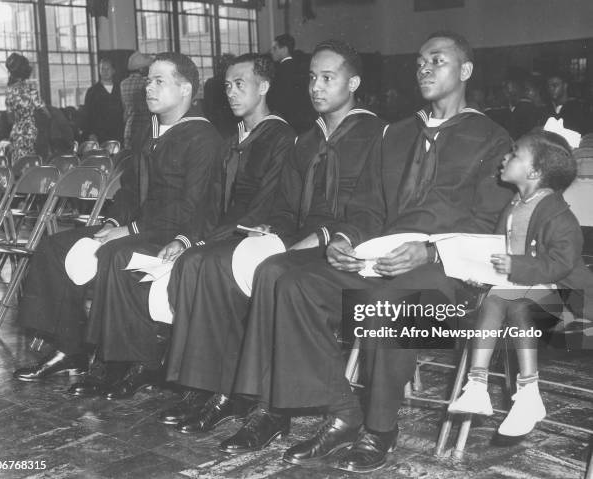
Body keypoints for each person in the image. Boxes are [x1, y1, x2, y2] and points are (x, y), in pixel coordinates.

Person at [224, 31, 514, 472]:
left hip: (450, 277)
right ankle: (341, 410)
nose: (424, 69)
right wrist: (345, 239)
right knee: (287, 277)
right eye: (420, 61)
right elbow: (367, 208)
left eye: (438, 61)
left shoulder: (491, 139)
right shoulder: (396, 135)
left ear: (466, 71)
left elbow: (492, 230)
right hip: (381, 259)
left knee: (386, 302)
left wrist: (430, 251)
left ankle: (380, 428)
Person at [160, 40, 385, 436]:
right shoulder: (308, 140)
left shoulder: (377, 135)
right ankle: (227, 389)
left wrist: (311, 239)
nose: (316, 86)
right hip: (300, 240)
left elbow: (372, 211)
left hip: (349, 246)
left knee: (270, 271)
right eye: (312, 78)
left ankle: (272, 406)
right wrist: (274, 229)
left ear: (353, 83)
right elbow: (285, 207)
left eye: (327, 78)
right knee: (212, 262)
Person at [72, 53, 295, 401]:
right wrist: (191, 236)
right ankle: (136, 364)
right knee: (122, 256)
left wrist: (198, 239)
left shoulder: (278, 135)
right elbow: (214, 200)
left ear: (264, 87)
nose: (232, 93)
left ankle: (206, 387)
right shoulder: (233, 136)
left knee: (191, 264)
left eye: (240, 85)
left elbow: (262, 206)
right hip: (214, 230)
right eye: (228, 86)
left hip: (251, 235)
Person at [13, 53, 222, 386]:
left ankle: (119, 361)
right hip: (135, 226)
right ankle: (70, 349)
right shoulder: (149, 131)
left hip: (174, 232)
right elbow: (128, 190)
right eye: (148, 80)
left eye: (158, 81)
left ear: (185, 89)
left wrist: (131, 229)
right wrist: (113, 223)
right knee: (55, 246)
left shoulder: (204, 138)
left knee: (111, 254)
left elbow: (191, 207)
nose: (148, 88)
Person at [448, 129, 593, 442]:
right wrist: (482, 273)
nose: (505, 157)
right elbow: (498, 252)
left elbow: (562, 264)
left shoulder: (558, 214)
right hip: (524, 292)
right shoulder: (514, 206)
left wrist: (517, 266)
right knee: (494, 300)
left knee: (515, 304)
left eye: (514, 153)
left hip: (570, 301)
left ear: (535, 172)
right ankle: (477, 385)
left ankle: (528, 393)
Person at [5, 53, 48, 162]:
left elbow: (10, 119)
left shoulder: (9, 91)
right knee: (31, 166)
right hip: (31, 133)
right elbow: (46, 113)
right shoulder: (30, 90)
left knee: (18, 166)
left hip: (16, 134)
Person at [268, 34, 313, 133]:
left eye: (274, 48)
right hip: (301, 121)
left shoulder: (280, 70)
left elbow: (278, 101)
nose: (271, 52)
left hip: (286, 122)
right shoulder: (300, 67)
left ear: (284, 49)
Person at [82, 58, 124, 144]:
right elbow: (87, 115)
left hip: (119, 134)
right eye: (102, 69)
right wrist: (91, 133)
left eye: (107, 69)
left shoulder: (120, 89)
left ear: (113, 71)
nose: (105, 72)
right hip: (100, 136)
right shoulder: (92, 91)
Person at [121, 51, 154, 150]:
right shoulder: (147, 83)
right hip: (146, 129)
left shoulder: (123, 84)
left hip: (129, 128)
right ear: (141, 69)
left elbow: (125, 110)